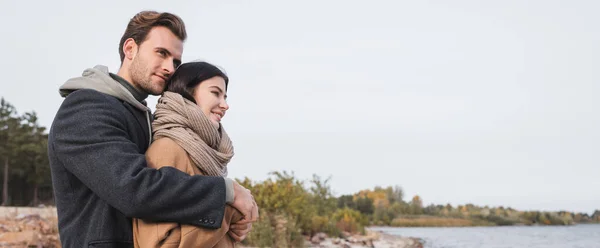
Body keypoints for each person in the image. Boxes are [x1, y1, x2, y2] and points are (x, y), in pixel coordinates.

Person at [48, 11, 257, 248]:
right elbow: (133, 189)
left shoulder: (145, 116)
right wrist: (226, 193)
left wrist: (228, 213)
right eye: (161, 53)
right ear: (130, 49)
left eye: (176, 61)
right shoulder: (84, 108)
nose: (169, 68)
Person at [133, 61, 246, 247]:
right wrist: (229, 213)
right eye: (215, 93)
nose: (225, 105)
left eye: (225, 96)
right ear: (187, 92)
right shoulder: (167, 149)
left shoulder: (203, 153)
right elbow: (159, 243)